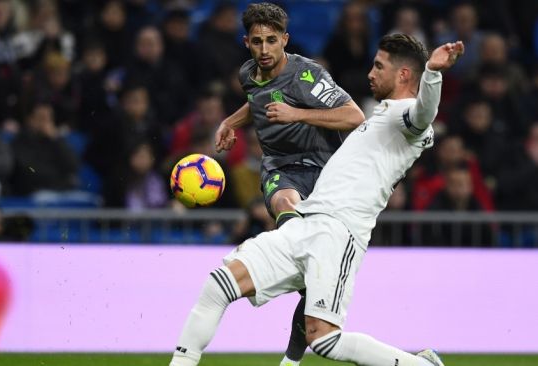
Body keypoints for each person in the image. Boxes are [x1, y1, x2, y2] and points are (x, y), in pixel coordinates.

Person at [170, 34, 464, 366]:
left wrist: (434, 73)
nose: (370, 73)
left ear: (404, 75)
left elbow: (424, 113)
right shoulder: (383, 116)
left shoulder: (407, 119)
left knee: (325, 340)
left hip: (338, 235)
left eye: (378, 66)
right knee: (218, 285)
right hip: (306, 221)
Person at [214, 4, 365, 364]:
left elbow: (355, 116)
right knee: (285, 201)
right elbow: (257, 102)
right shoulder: (248, 74)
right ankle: (295, 260)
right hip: (282, 168)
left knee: (313, 290)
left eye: (271, 41)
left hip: (326, 177)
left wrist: (297, 112)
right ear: (246, 43)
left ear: (285, 39)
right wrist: (230, 122)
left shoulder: (307, 76)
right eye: (256, 42)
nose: (264, 50)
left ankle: (291, 360)